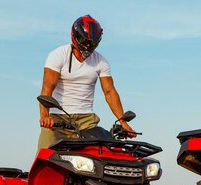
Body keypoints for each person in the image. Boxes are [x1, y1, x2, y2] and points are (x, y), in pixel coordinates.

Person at [37, 14, 136, 149]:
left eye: (92, 44)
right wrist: (44, 116)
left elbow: (109, 91)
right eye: (85, 42)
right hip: (58, 118)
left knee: (105, 150)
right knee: (45, 154)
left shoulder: (101, 61)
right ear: (76, 37)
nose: (88, 47)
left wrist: (123, 122)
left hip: (86, 120)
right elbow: (47, 88)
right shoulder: (58, 55)